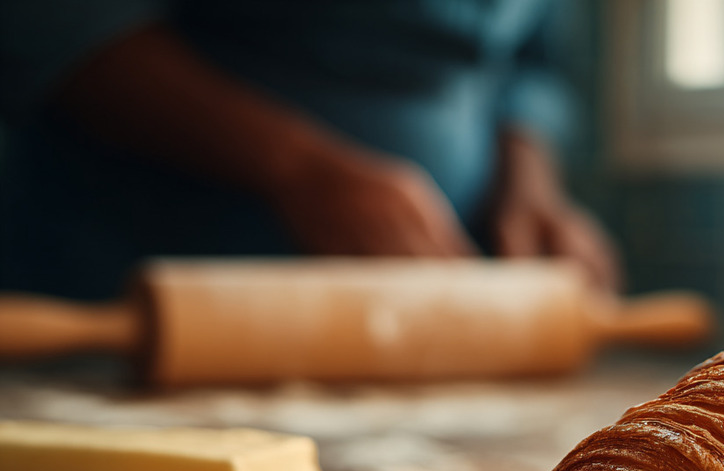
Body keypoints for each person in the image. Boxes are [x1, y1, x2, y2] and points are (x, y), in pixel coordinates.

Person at [0, 0, 620, 301]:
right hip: (139, 280)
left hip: (425, 307)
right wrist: (298, 166)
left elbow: (530, 61)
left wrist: (531, 187)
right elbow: (58, 21)